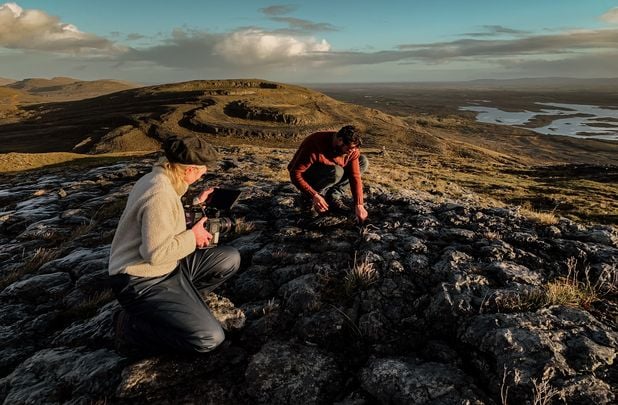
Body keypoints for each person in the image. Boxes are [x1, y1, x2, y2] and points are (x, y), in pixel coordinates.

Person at [108, 135, 240, 354]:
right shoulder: (159, 193)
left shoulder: (160, 179)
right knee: (209, 339)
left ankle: (182, 306)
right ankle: (129, 326)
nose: (204, 172)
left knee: (229, 258)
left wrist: (196, 203)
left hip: (169, 268)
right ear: (187, 170)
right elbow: (156, 254)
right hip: (142, 280)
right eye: (201, 168)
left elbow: (166, 218)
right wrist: (193, 237)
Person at [288, 125, 369, 223]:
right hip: (309, 174)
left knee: (363, 161)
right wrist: (314, 195)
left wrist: (359, 204)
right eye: (350, 148)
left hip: (331, 171)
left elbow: (354, 176)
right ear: (340, 141)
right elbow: (295, 173)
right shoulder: (315, 143)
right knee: (337, 171)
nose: (352, 151)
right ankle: (308, 200)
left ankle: (332, 196)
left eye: (355, 148)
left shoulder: (352, 150)